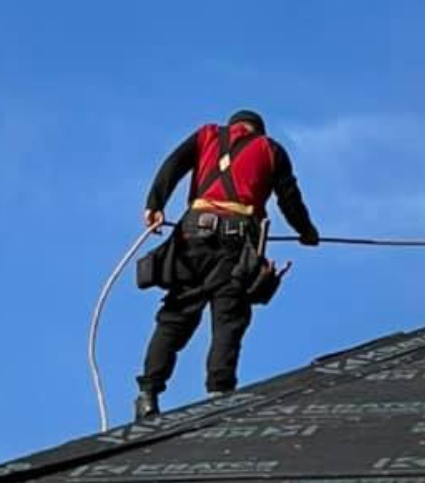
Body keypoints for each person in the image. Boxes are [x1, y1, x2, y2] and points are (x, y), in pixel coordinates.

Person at [134, 109, 320, 420]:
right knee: (228, 316)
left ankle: (147, 394)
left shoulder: (207, 135)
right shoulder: (270, 149)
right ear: (257, 131)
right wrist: (306, 231)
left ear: (233, 126)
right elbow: (290, 198)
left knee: (176, 315)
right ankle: (219, 394)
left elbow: (174, 164)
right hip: (236, 241)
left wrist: (155, 205)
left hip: (191, 234)